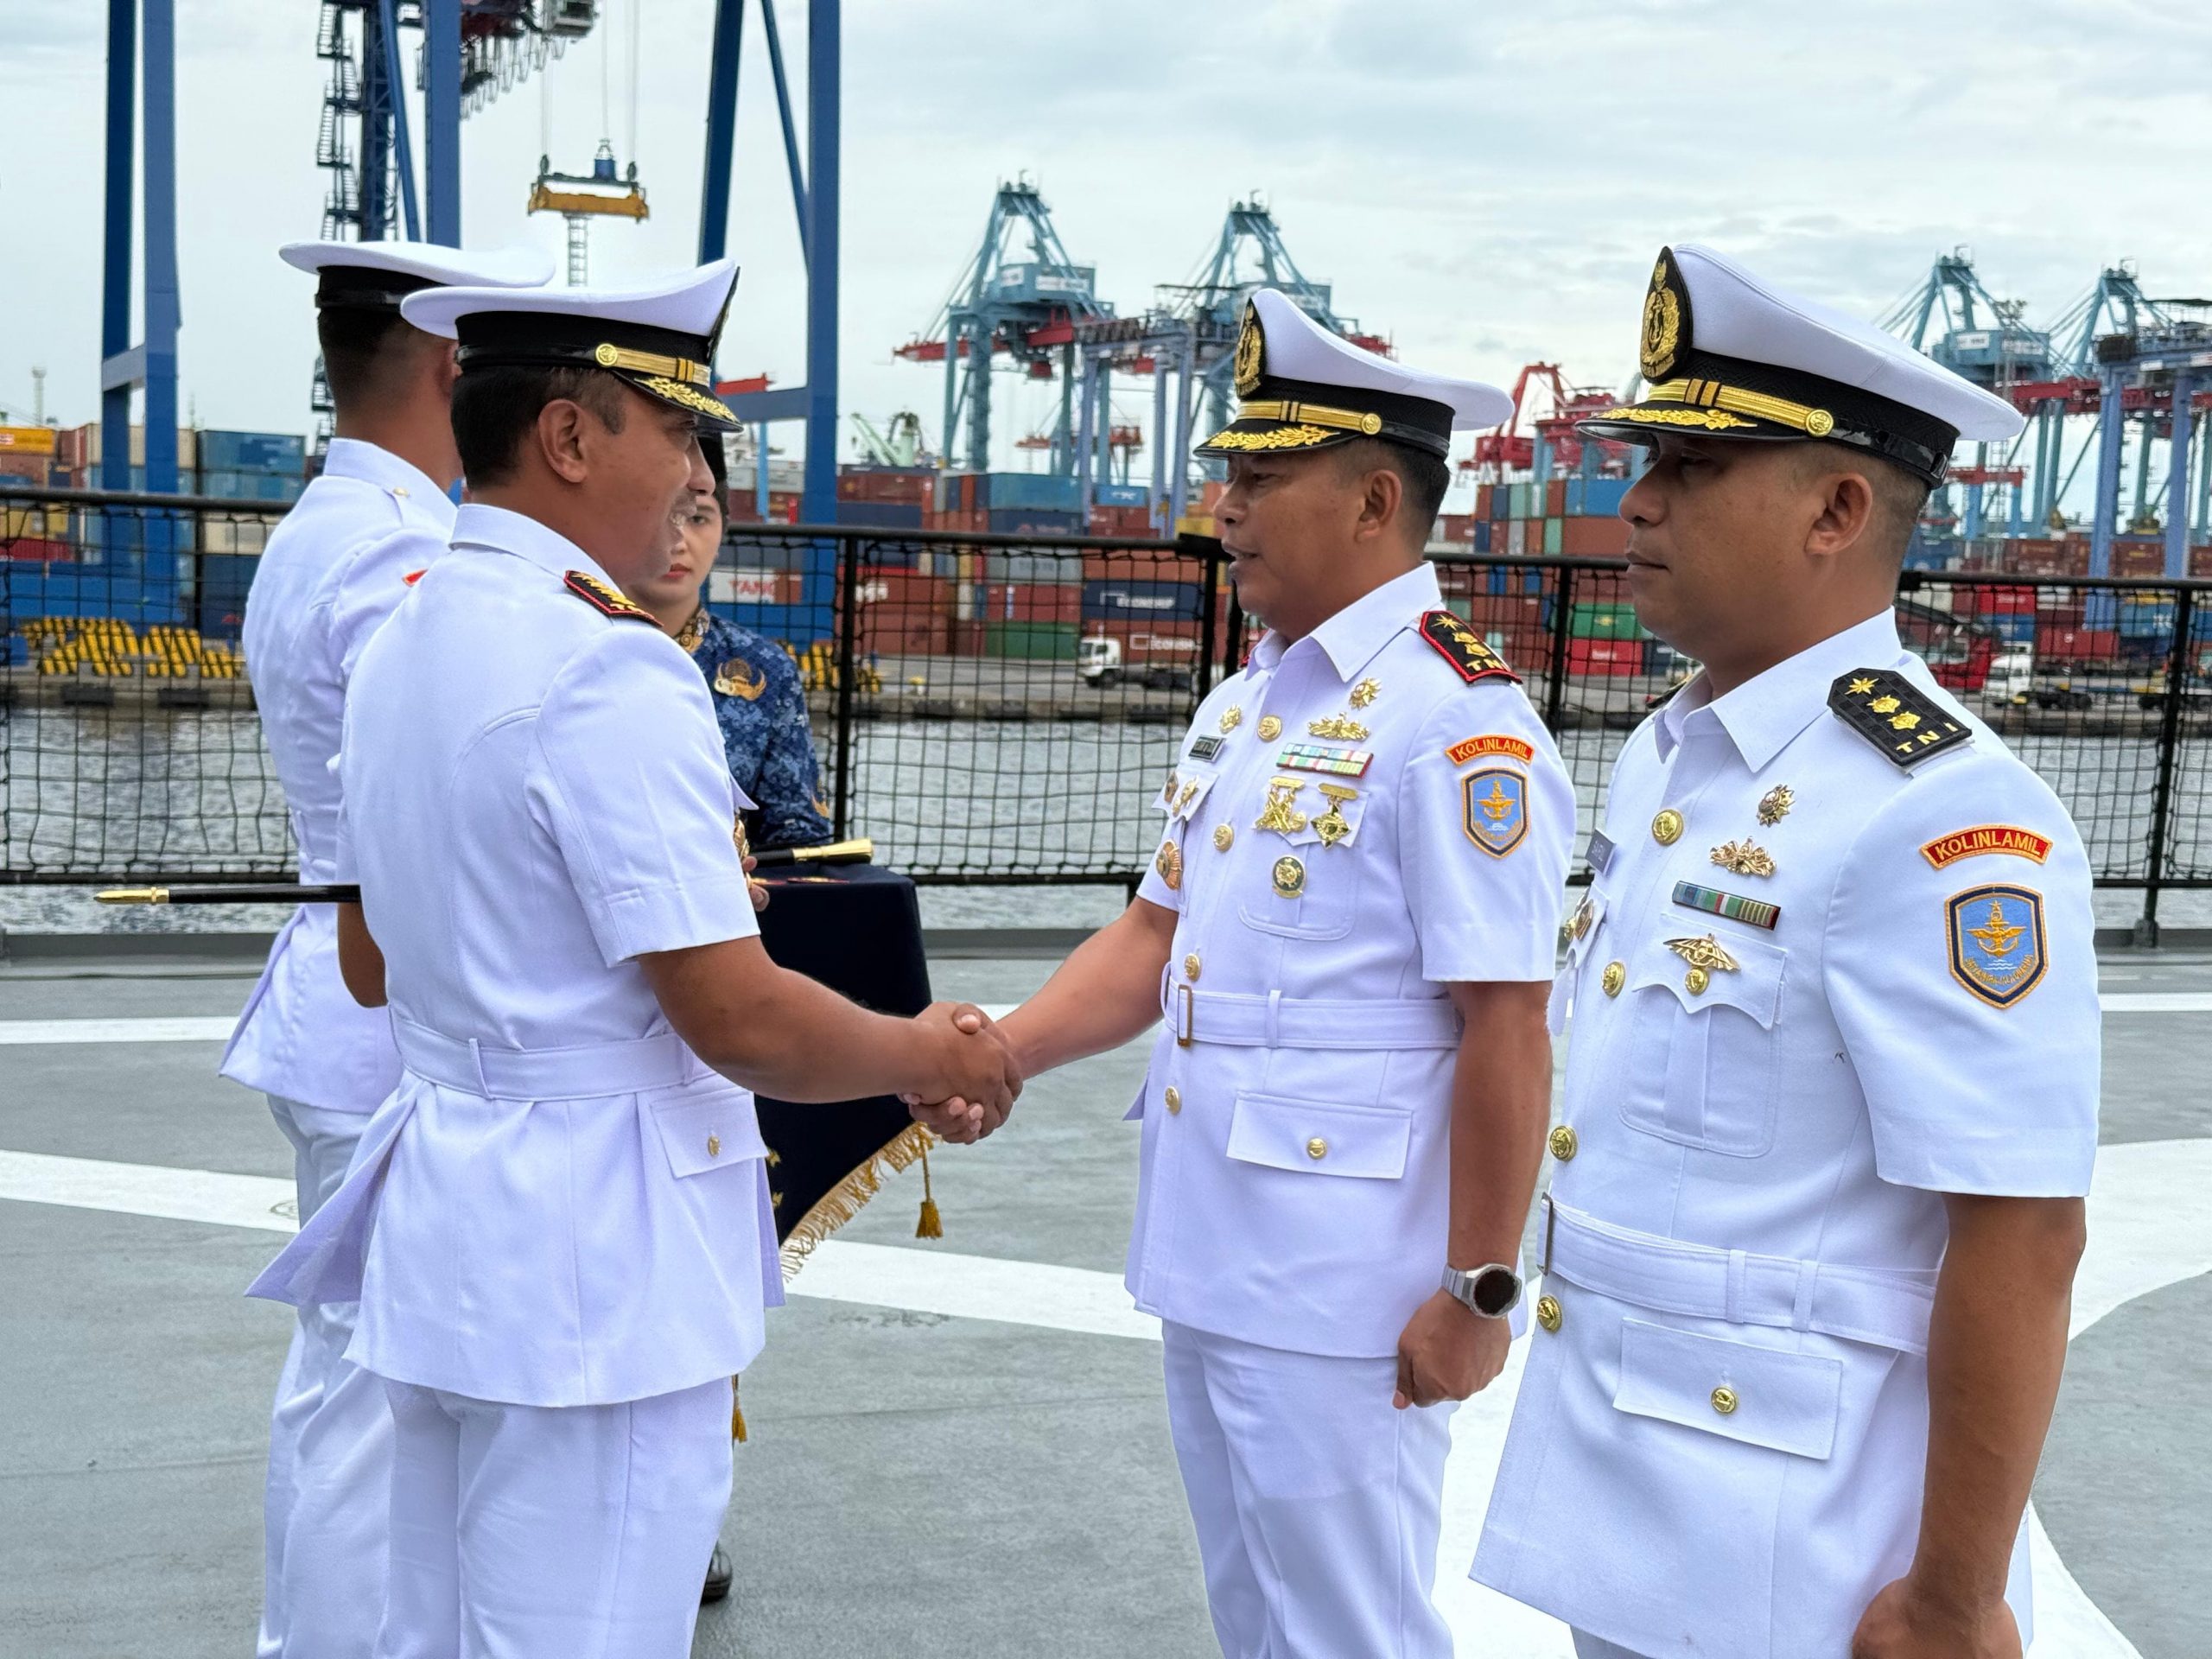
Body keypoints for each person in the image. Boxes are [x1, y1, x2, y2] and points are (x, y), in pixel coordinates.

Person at [246, 259, 1015, 1659]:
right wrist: (925, 1051)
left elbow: (375, 956)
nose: (695, 474)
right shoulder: (611, 665)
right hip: (593, 1270)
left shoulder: (407, 634)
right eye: (676, 430)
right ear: (569, 436)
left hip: (445, 1226)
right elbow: (735, 1016)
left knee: (430, 1632)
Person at [1470, 246, 2100, 1659]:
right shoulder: (1673, 758)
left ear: (1836, 509)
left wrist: (1956, 1600)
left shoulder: (1939, 812)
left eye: (1694, 467)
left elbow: (2023, 1229)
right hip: (1634, 1496)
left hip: (1801, 1552)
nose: (1639, 500)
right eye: (1651, 462)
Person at [967, 289, 1575, 1656]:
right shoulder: (1247, 704)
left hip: (1348, 1286)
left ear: (1374, 502)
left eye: (1259, 479)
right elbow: (1153, 940)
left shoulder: (1459, 723)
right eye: (1227, 477)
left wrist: (1479, 1290)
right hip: (1216, 1249)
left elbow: (1508, 1024)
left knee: (1352, 1628)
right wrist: (1005, 1049)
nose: (1224, 510)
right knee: (1258, 1614)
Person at [220, 238, 552, 1659]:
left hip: (340, 987)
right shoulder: (401, 551)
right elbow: (432, 801)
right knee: (374, 1401)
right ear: (451, 363)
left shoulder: (322, 524)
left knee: (345, 1385)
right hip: (392, 1002)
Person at [623, 435, 831, 850]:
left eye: (698, 518)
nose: (679, 539)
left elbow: (798, 832)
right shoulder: (572, 645)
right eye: (662, 514)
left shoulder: (766, 671)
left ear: (723, 532)